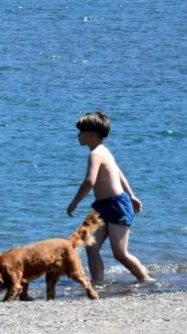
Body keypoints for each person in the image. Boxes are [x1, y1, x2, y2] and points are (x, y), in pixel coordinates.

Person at [66, 111, 154, 282]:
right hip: (102, 206)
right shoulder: (102, 151)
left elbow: (89, 181)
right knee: (91, 246)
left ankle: (146, 280)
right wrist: (132, 195)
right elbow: (117, 171)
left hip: (117, 206)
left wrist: (74, 202)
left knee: (120, 253)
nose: (78, 135)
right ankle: (98, 282)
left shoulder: (96, 154)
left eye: (81, 132)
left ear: (92, 135)